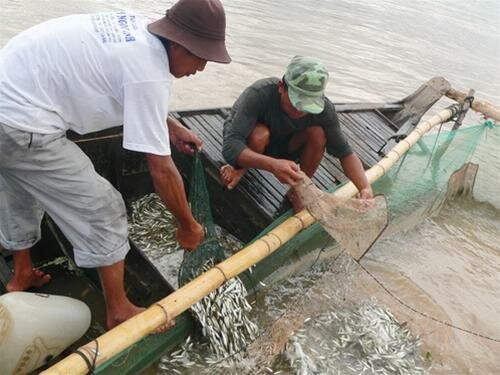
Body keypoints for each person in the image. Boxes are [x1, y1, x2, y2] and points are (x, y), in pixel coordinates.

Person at [0, 0, 230, 330]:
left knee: (21, 183)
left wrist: (170, 125)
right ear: (178, 44)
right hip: (20, 122)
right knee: (104, 207)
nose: (202, 68)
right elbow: (161, 169)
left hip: (9, 94)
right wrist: (188, 225)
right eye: (201, 56)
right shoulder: (149, 74)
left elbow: (126, 83)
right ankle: (119, 310)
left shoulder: (139, 29)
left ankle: (21, 273)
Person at [221, 56, 373, 211]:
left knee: (318, 133)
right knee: (260, 134)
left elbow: (345, 153)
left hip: (285, 144)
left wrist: (364, 187)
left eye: (308, 105)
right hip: (252, 141)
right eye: (296, 102)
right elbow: (231, 145)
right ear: (281, 87)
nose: (300, 110)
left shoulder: (325, 110)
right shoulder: (259, 93)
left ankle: (298, 190)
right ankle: (240, 168)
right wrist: (273, 165)